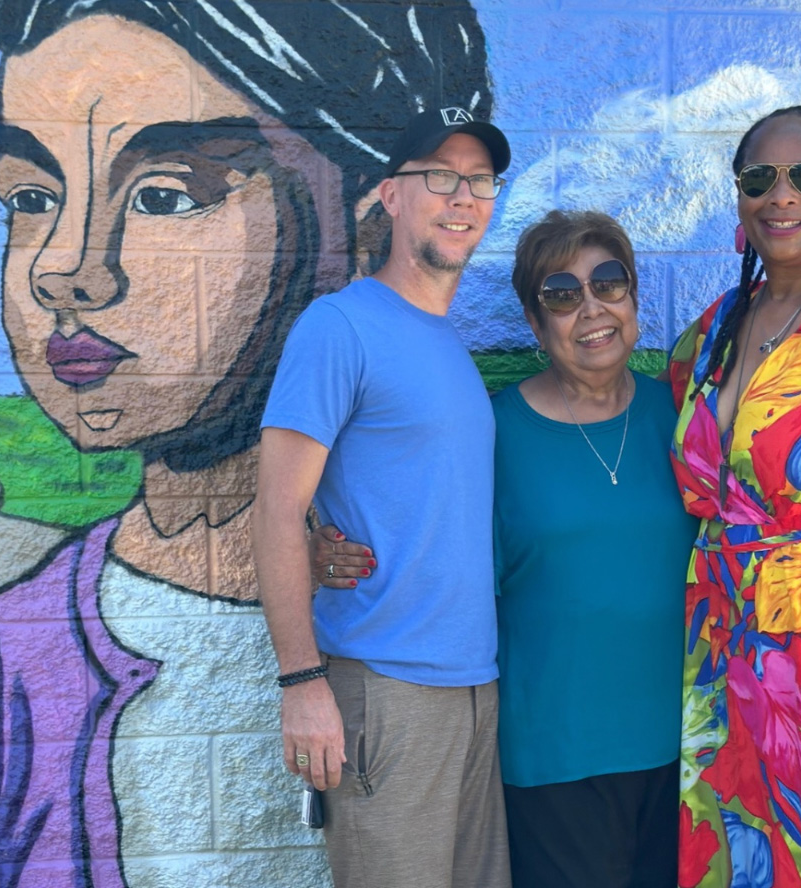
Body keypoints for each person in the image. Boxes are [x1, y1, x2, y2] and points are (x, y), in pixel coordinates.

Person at [0, 1, 495, 884]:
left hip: (455, 693)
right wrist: (304, 681)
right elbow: (283, 502)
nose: (65, 267)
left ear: (358, 214)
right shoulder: (14, 663)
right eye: (30, 199)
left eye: (165, 195)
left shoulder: (427, 341)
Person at [314, 209, 698, 888]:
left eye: (609, 283)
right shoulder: (496, 433)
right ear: (534, 322)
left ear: (634, 296)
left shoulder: (684, 418)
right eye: (561, 294)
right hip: (556, 755)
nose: (592, 309)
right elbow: (421, 524)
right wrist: (325, 544)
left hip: (684, 752)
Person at [252, 106, 513, 888]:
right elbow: (275, 509)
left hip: (476, 688)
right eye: (439, 177)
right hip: (385, 692)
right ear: (389, 196)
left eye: (478, 180)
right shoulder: (341, 328)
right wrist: (302, 685)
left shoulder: (447, 344)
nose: (461, 196)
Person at [669, 105, 801, 886]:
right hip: (721, 651)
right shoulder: (716, 330)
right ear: (739, 198)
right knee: (735, 854)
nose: (783, 195)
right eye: (760, 178)